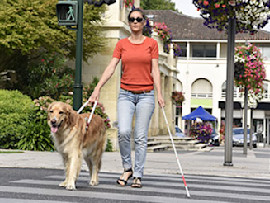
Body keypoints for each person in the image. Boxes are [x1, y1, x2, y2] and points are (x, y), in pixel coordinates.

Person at [88, 7, 165, 188]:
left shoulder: (151, 44)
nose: (135, 22)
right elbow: (111, 66)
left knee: (140, 137)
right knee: (123, 132)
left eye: (139, 19)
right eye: (132, 19)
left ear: (144, 22)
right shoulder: (122, 44)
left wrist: (159, 93)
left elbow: (155, 70)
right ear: (128, 22)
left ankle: (138, 174)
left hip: (146, 95)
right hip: (126, 95)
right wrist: (97, 88)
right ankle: (127, 168)